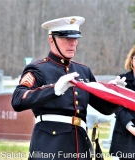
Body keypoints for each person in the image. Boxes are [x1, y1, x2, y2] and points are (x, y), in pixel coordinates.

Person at [11, 16, 123, 160]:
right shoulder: (38, 69)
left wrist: (115, 94)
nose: (72, 43)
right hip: (50, 146)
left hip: (79, 145)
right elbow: (18, 100)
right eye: (67, 39)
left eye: (75, 39)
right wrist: (55, 89)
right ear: (51, 40)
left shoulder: (84, 71)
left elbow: (104, 108)